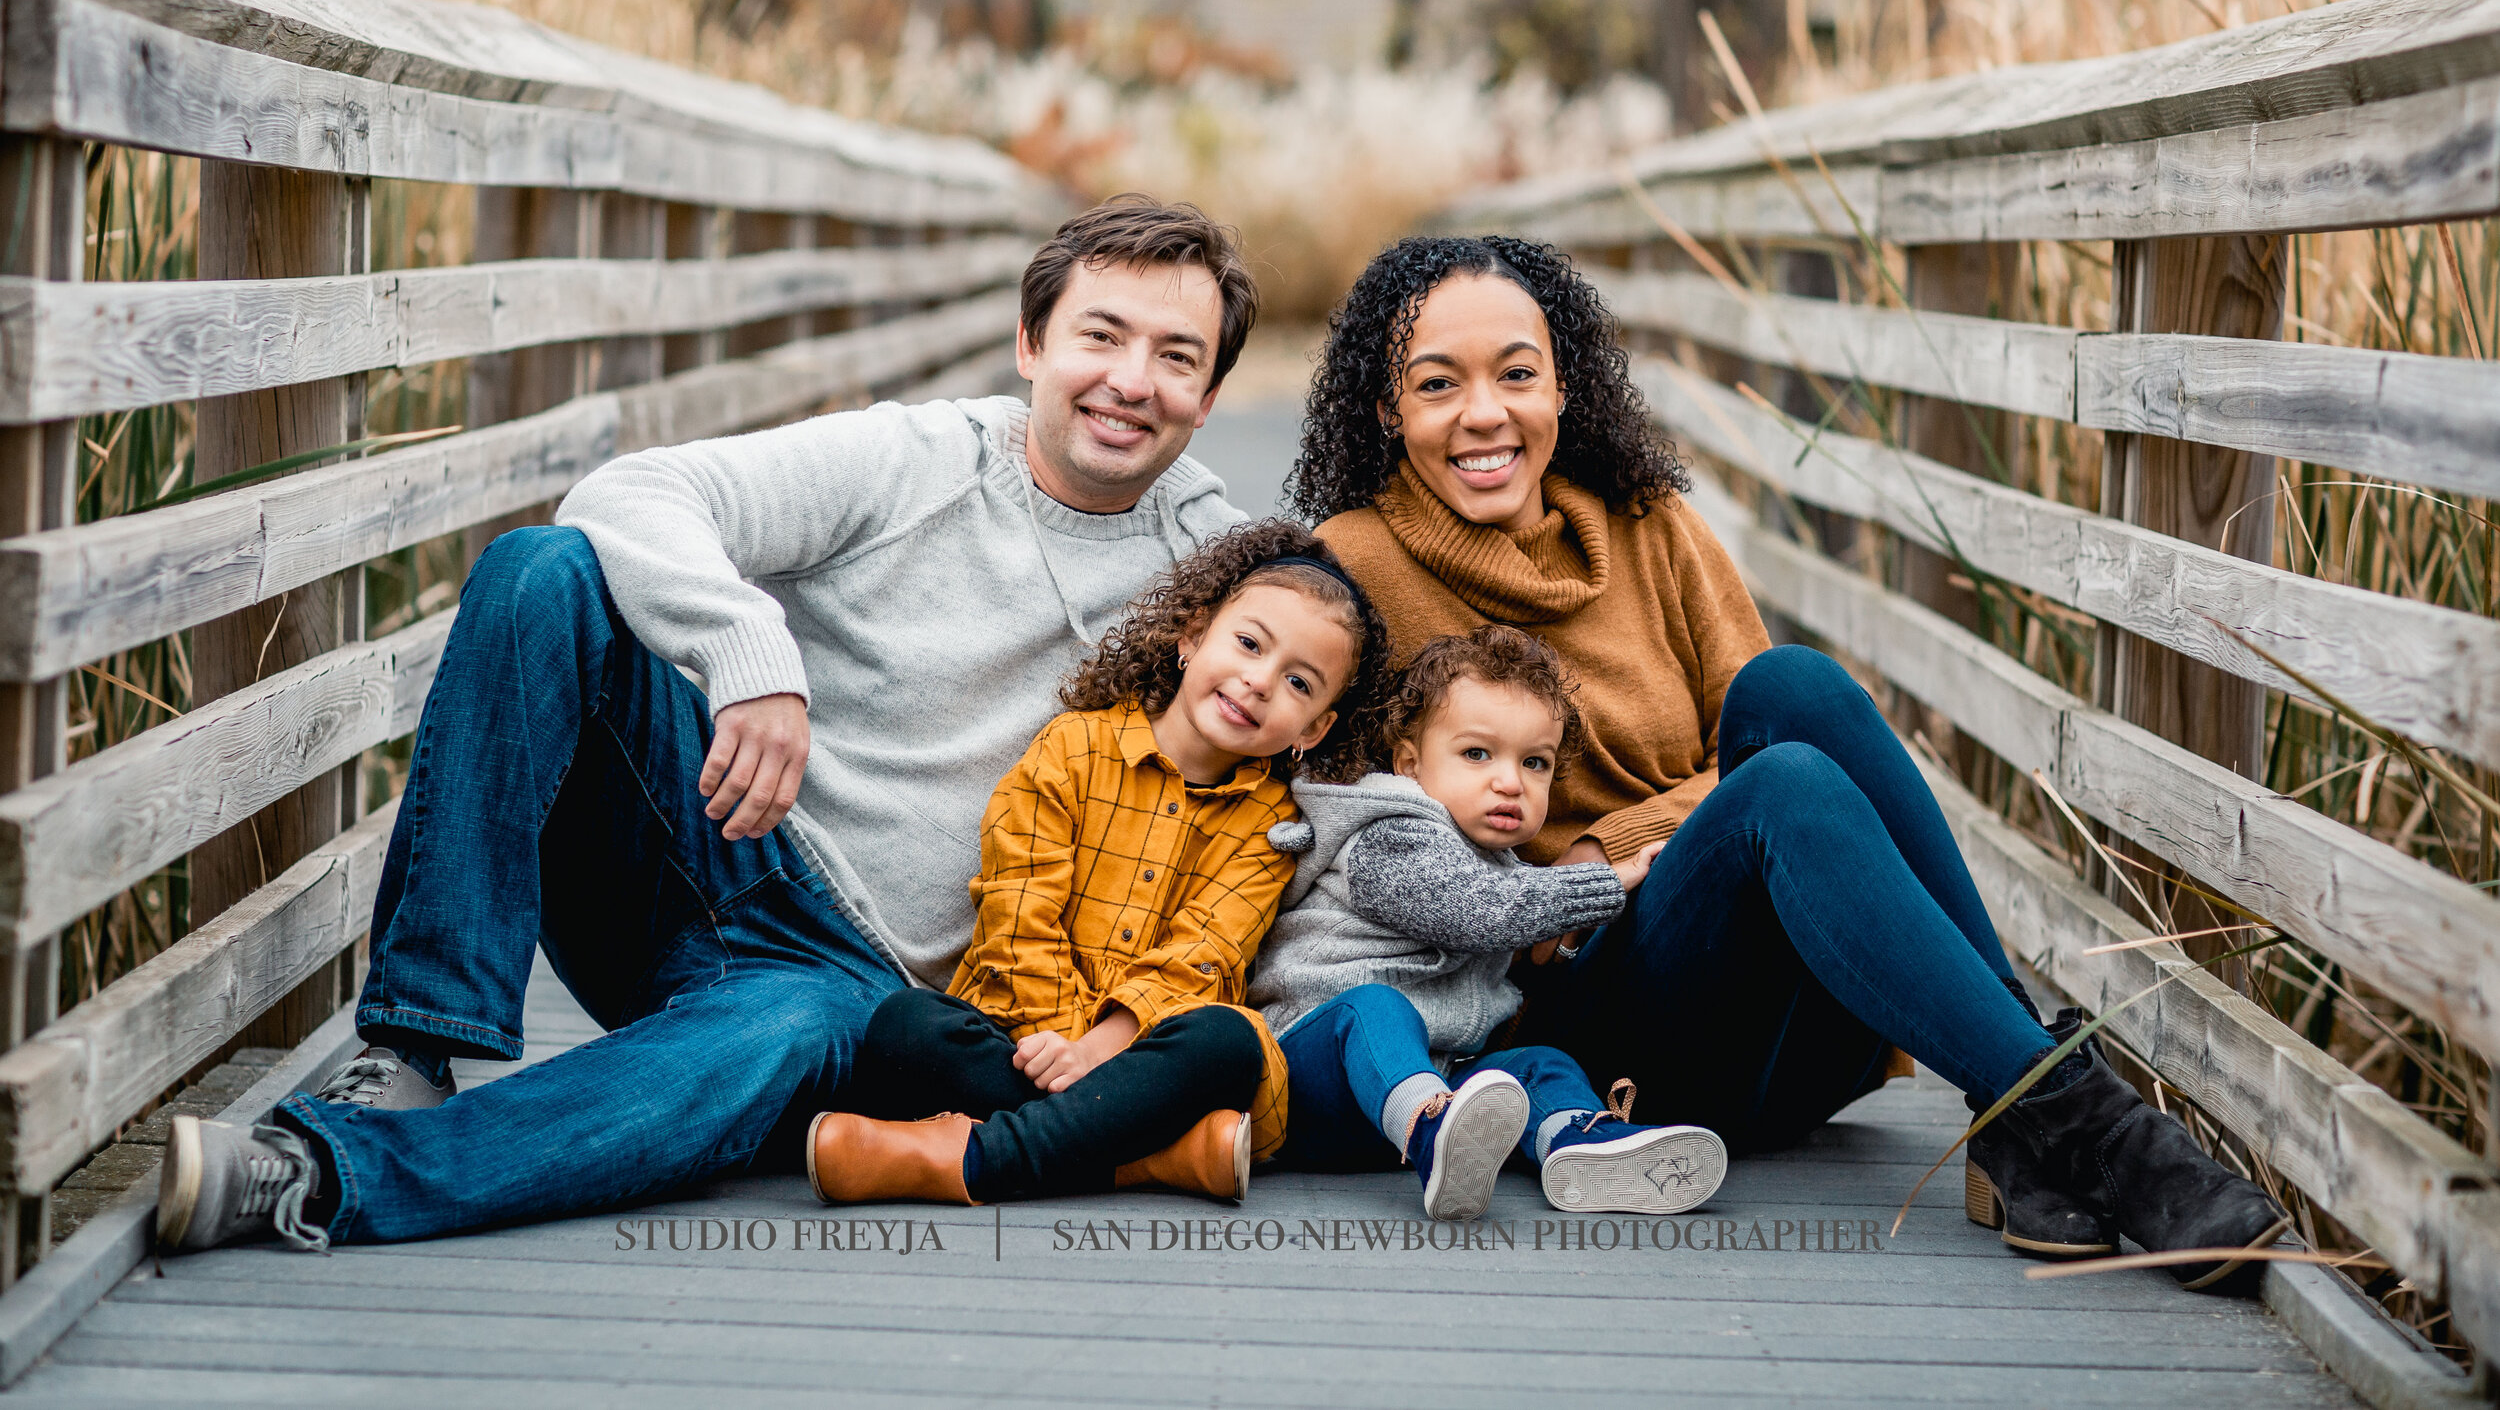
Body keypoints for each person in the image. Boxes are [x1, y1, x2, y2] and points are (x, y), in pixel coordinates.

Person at [154, 195, 1263, 1253]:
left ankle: (321, 1174)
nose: (1131, 381)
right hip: (713, 829)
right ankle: (412, 1039)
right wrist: (750, 654)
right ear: (1030, 343)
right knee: (545, 570)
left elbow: (1334, 724)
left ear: (1210, 397)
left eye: (1177, 357)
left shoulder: (1219, 570)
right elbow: (628, 493)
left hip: (863, 991)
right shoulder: (914, 459)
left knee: (752, 1049)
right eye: (1100, 335)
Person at [1283, 234, 2286, 1290]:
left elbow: (1776, 742)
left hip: (1786, 1030)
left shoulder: (1648, 524)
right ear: (1387, 408)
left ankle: (2022, 1100)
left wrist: (1609, 840)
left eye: (1516, 373)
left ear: (1563, 384)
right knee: (1784, 784)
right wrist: (1581, 874)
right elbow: (1346, 827)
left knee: (1791, 691)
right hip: (1586, 1042)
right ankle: (2091, 1128)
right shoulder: (1355, 566)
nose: (1483, 413)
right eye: (1436, 384)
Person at [810, 522, 1391, 1207]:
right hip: (1025, 1032)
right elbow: (1017, 911)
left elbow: (1202, 957)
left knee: (1227, 1041)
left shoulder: (1274, 824)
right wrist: (1060, 1043)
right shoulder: (1071, 749)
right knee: (903, 1028)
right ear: (1192, 634)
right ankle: (1159, 1157)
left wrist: (1097, 1049)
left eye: (1299, 681)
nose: (1259, 680)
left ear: (1314, 728)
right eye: (1247, 642)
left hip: (1148, 1053)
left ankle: (974, 1159)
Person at [1253, 624, 1725, 1222]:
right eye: (1477, 754)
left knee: (1538, 1063)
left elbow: (1503, 895)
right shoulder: (1390, 833)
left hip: (1428, 1082)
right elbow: (1480, 910)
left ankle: (1580, 1145)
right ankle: (1434, 1129)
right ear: (1409, 763)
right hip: (1310, 1075)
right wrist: (1612, 879)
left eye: (1535, 763)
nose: (1510, 781)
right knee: (1373, 1008)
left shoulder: (1497, 861)